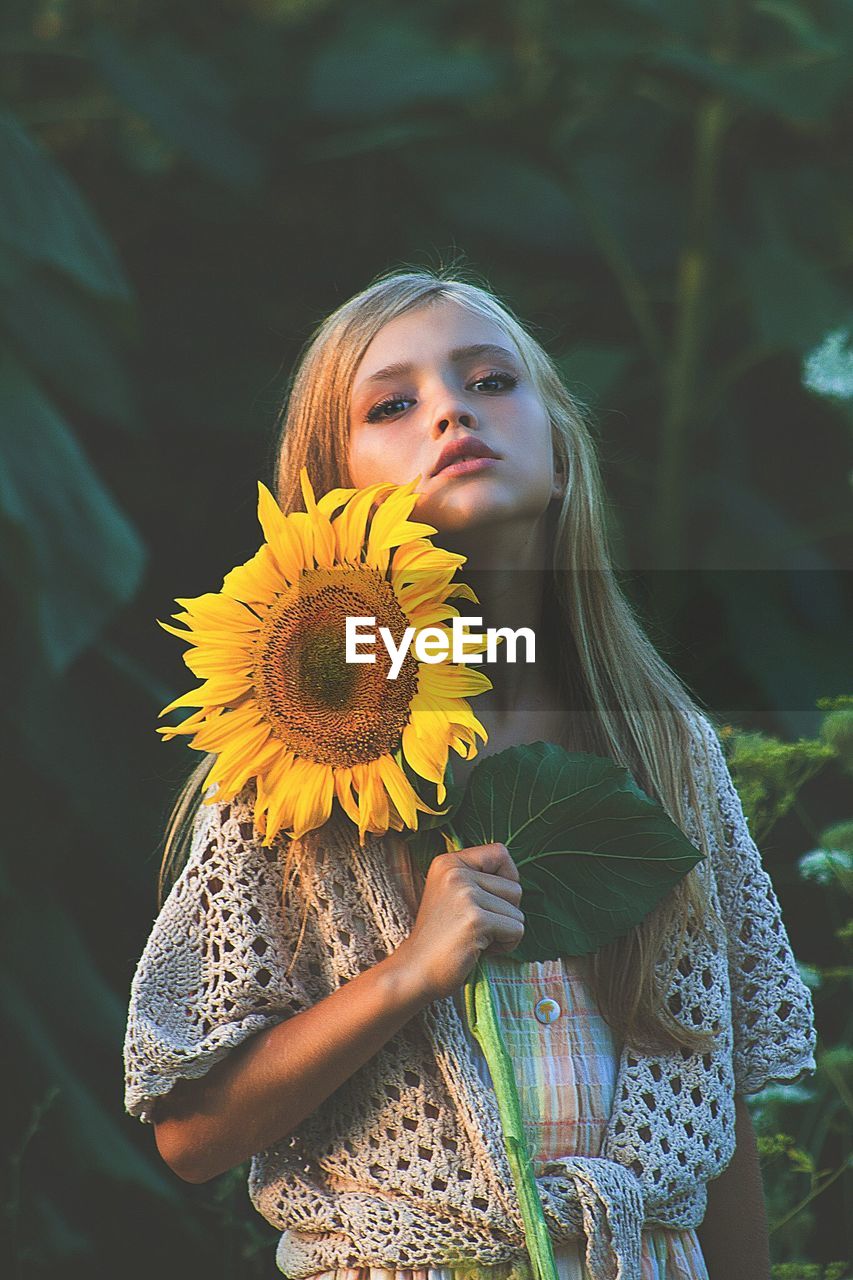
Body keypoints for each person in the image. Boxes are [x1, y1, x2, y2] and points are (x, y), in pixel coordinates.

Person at [124, 267, 817, 1280]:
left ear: (563, 454)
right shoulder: (296, 770)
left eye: (491, 380)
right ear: (335, 496)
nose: (450, 407)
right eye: (393, 404)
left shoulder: (664, 748)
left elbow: (717, 1113)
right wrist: (406, 972)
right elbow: (190, 1128)